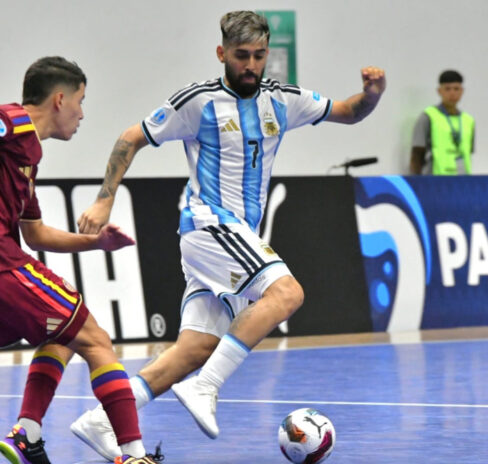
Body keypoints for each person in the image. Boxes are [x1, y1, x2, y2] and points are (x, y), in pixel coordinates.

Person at [70, 10, 385, 460]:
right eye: (241, 55)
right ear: (222, 53)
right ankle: (206, 387)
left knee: (196, 348)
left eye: (259, 55)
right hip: (211, 225)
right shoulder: (198, 102)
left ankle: (101, 419)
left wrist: (372, 95)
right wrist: (104, 200)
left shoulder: (283, 100)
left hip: (232, 236)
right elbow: (130, 137)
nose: (251, 65)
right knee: (287, 293)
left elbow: (350, 112)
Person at [0, 56, 163, 464]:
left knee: (62, 334)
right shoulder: (18, 122)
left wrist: (96, 243)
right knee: (95, 338)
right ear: (59, 100)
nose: (82, 113)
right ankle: (134, 455)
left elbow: (36, 235)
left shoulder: (21, 163)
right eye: (80, 101)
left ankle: (27, 433)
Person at [410, 69, 475, 175]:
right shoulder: (428, 116)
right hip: (435, 179)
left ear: (462, 91)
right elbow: (417, 154)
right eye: (447, 89)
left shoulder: (468, 120)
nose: (452, 93)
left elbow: (468, 152)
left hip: (463, 179)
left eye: (456, 89)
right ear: (439, 91)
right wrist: (416, 181)